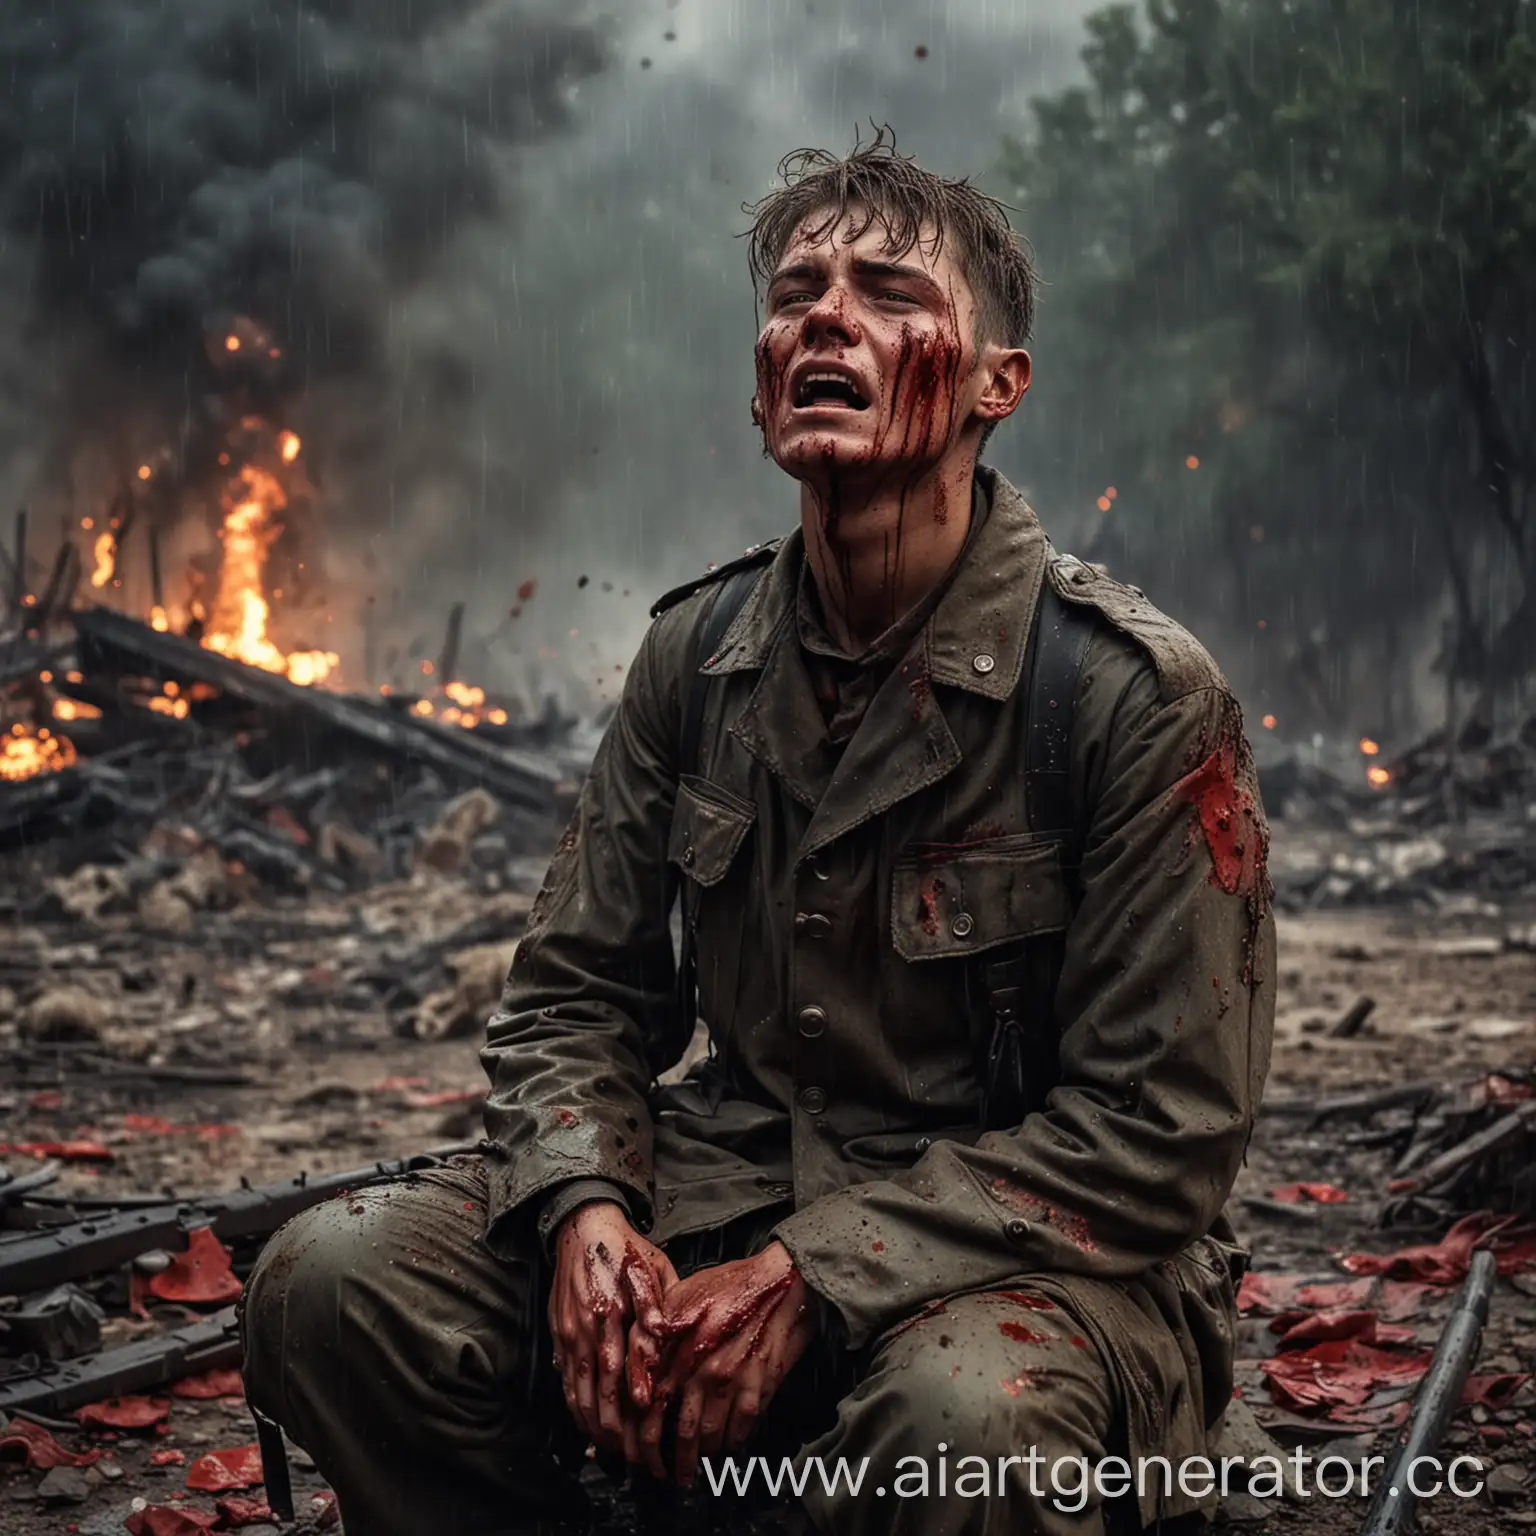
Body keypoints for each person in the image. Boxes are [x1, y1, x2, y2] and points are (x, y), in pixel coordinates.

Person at [241, 130, 1276, 1536]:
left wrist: (814, 1275)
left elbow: (1162, 1135)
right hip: (721, 1191)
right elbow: (574, 998)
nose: (829, 318)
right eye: (798, 293)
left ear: (997, 386)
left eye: (893, 294)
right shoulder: (698, 654)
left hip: (1038, 1258)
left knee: (962, 1429)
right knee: (335, 1282)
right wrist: (586, 1213)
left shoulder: (1123, 694)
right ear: (760, 383)